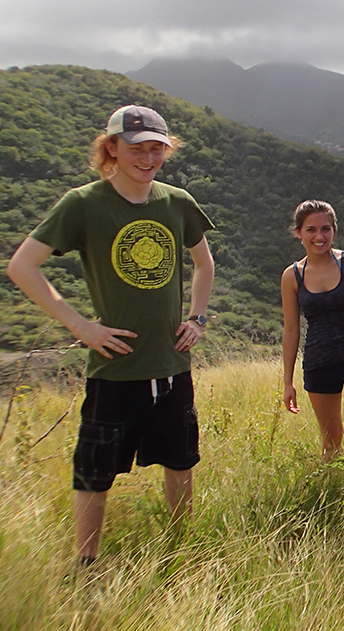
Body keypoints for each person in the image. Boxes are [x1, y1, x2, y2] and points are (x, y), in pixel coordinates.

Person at [6, 105, 215, 565]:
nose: (148, 157)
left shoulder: (176, 201)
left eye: (157, 148)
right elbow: (22, 266)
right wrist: (81, 326)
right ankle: (87, 565)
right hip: (114, 366)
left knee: (180, 463)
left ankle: (181, 550)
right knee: (95, 472)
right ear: (112, 149)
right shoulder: (84, 204)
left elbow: (204, 262)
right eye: (137, 147)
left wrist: (196, 319)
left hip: (170, 363)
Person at [281, 200, 344, 462]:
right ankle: (332, 494)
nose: (319, 236)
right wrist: (287, 381)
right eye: (311, 229)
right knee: (331, 441)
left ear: (334, 230)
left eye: (326, 229)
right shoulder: (292, 276)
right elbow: (291, 330)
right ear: (298, 232)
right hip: (319, 362)